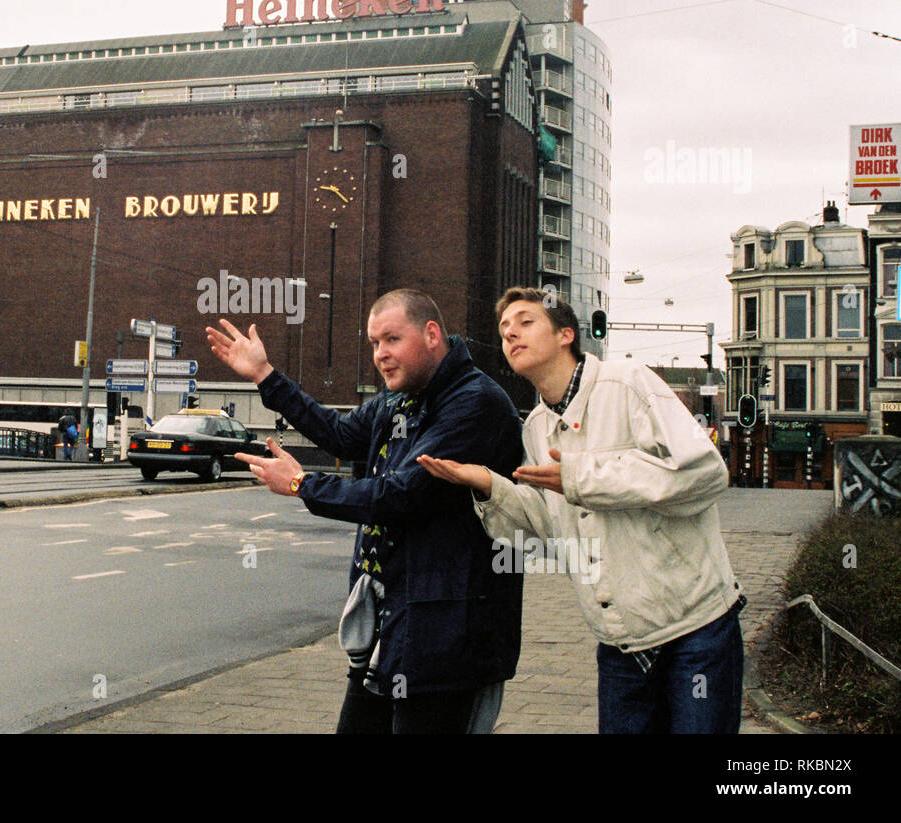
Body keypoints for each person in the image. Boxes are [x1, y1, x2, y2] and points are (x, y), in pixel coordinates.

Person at [417, 287, 744, 734]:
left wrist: (581, 477)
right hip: (618, 643)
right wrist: (488, 485)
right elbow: (552, 531)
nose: (511, 333)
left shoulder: (626, 382)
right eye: (504, 330)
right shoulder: (535, 428)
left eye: (526, 321)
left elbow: (704, 474)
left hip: (695, 630)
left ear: (567, 333)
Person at [207, 289, 525, 734]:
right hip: (391, 630)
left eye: (392, 340)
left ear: (431, 334)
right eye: (374, 343)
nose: (381, 355)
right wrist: (265, 375)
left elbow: (402, 497)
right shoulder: (399, 399)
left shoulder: (474, 403)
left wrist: (302, 484)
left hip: (446, 640)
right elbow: (339, 433)